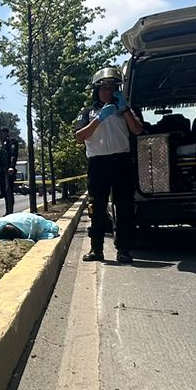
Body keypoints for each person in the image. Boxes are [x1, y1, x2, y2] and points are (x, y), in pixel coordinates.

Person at [75, 66, 144, 264]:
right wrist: (99, 118)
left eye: (113, 88)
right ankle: (96, 249)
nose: (109, 91)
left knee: (124, 207)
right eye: (105, 88)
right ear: (96, 90)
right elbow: (80, 137)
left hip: (121, 162)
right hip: (99, 163)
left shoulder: (125, 110)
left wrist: (125, 110)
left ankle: (123, 249)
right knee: (97, 207)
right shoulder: (87, 112)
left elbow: (137, 130)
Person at [0, 127, 21, 215]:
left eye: (0, 134)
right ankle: (7, 209)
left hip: (9, 170)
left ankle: (10, 211)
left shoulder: (11, 141)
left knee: (9, 191)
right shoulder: (2, 144)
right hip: (3, 171)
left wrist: (11, 166)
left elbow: (13, 154)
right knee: (4, 192)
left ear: (5, 133)